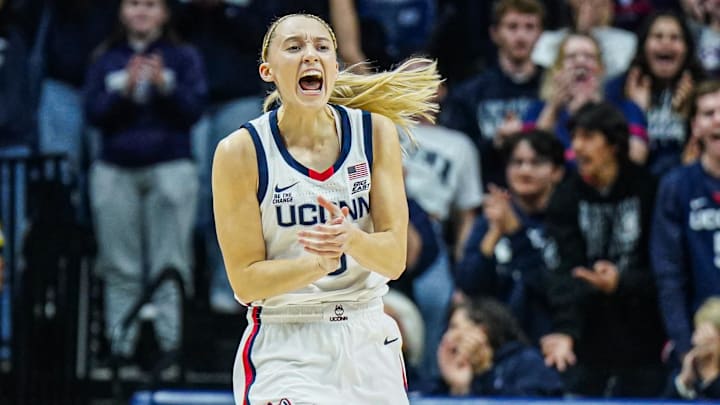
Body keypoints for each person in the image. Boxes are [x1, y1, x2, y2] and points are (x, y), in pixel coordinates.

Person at [211, 13, 441, 405]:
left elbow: (394, 259)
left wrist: (350, 239)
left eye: (322, 47)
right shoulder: (241, 151)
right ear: (267, 71)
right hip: (288, 340)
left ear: (335, 67)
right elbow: (245, 282)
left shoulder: (374, 133)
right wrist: (316, 265)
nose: (311, 56)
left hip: (367, 335)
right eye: (295, 47)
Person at [84, 0, 206, 372]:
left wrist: (162, 86)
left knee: (171, 263)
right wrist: (125, 90)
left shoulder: (183, 57)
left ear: (165, 13)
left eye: (151, 5)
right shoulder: (105, 57)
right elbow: (93, 112)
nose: (142, 12)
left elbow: (194, 110)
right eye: (134, 4)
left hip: (170, 167)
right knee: (119, 265)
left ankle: (170, 350)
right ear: (121, 11)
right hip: (115, 170)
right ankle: (121, 346)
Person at [541, 101, 667, 397]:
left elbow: (665, 266)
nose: (576, 147)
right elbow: (561, 270)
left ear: (613, 144)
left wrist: (621, 282)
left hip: (644, 330)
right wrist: (565, 330)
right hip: (585, 331)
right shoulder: (566, 196)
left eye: (587, 137)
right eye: (574, 138)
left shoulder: (648, 188)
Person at [455, 129, 565, 345]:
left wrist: (515, 233)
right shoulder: (491, 220)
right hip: (493, 339)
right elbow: (468, 284)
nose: (525, 170)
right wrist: (494, 233)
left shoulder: (565, 220)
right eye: (517, 162)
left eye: (536, 162)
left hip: (547, 339)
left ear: (557, 171)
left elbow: (554, 289)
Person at [439, 0, 545, 189]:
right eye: (512, 27)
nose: (521, 36)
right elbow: (454, 152)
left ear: (540, 34)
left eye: (529, 27)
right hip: (487, 190)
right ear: (495, 33)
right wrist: (494, 143)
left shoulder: (552, 87)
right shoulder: (469, 93)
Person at [651, 80, 720, 363]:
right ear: (695, 126)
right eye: (708, 113)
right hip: (700, 331)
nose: (718, 120)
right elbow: (669, 272)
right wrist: (683, 344)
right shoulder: (676, 186)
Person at [606, 11, 706, 178]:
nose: (666, 43)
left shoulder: (701, 86)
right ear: (644, 45)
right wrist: (636, 110)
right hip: (633, 180)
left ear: (687, 49)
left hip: (688, 180)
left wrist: (690, 110)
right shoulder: (620, 87)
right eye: (658, 36)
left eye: (675, 38)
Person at [434, 297, 565, 397]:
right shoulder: (452, 372)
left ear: (481, 331)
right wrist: (460, 388)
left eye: (454, 327)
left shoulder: (528, 363)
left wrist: (486, 372)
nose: (447, 337)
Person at [670, 296, 720, 399]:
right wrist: (683, 382)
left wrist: (711, 375)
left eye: (700, 332)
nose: (694, 340)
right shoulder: (688, 372)